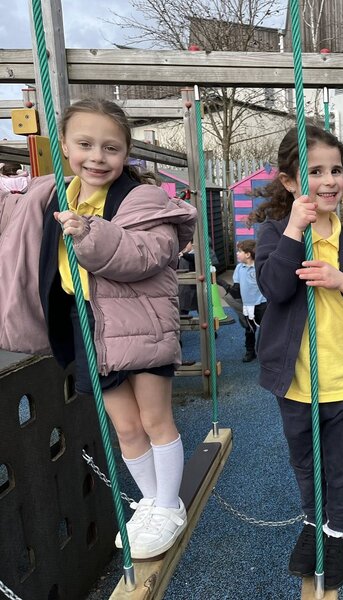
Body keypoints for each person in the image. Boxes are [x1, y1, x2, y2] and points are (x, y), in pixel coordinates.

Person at [0, 99, 197, 559]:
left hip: (139, 321)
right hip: (85, 319)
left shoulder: (142, 198)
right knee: (125, 427)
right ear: (64, 147)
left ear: (126, 152)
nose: (97, 157)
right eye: (85, 144)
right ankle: (152, 501)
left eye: (110, 147)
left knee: (154, 419)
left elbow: (143, 255)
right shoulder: (52, 193)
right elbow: (13, 215)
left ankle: (170, 504)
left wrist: (89, 234)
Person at [254, 125, 343, 589]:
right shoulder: (275, 233)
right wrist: (296, 228)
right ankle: (314, 522)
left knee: (341, 467)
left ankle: (338, 531)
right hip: (295, 383)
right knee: (304, 464)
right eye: (315, 171)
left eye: (336, 170)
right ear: (291, 182)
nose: (329, 180)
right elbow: (275, 287)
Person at [232, 239, 267, 363]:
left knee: (266, 329)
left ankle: (266, 352)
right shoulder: (239, 268)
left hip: (262, 303)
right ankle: (250, 351)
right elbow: (236, 286)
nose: (237, 253)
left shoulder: (259, 267)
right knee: (249, 330)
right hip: (247, 305)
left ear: (248, 254)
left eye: (239, 251)